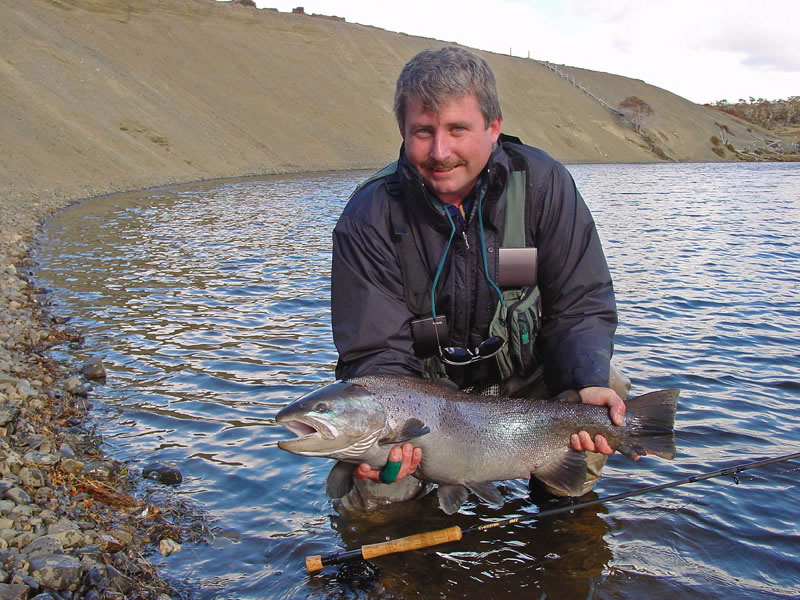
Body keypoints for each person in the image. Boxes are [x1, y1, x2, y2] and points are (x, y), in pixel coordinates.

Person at [330, 46, 628, 507]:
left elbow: (580, 303)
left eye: (457, 129)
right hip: (424, 407)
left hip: (528, 392)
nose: (439, 151)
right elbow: (376, 353)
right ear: (404, 132)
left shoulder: (543, 186)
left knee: (605, 378)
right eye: (422, 132)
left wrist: (586, 378)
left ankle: (560, 502)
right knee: (374, 490)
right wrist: (383, 438)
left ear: (494, 127)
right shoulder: (369, 215)